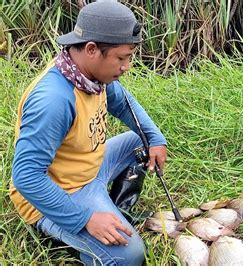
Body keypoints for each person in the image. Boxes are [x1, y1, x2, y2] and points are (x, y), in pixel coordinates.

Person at [9, 2, 167, 264]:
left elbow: (123, 102)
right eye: (122, 58)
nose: (126, 66)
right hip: (60, 193)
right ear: (92, 49)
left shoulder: (91, 75)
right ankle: (89, 228)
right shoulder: (54, 100)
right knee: (130, 256)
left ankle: (112, 210)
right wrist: (86, 219)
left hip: (90, 169)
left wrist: (155, 138)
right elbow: (26, 177)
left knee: (140, 140)